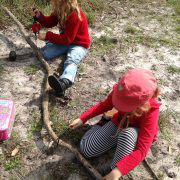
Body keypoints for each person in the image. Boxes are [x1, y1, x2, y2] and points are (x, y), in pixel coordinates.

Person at [69, 68, 161, 180]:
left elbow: (142, 150)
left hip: (135, 134)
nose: (118, 105)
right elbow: (105, 105)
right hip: (119, 122)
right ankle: (104, 121)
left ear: (141, 106)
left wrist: (117, 172)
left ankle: (113, 170)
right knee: (86, 149)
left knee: (128, 135)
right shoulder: (121, 91)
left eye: (124, 106)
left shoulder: (151, 111)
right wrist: (83, 118)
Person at [32, 0, 91, 96]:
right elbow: (50, 22)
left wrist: (48, 36)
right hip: (66, 41)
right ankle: (53, 46)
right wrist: (39, 16)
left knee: (72, 59)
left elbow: (67, 39)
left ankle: (65, 82)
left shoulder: (75, 15)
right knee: (46, 54)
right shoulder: (60, 10)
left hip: (79, 44)